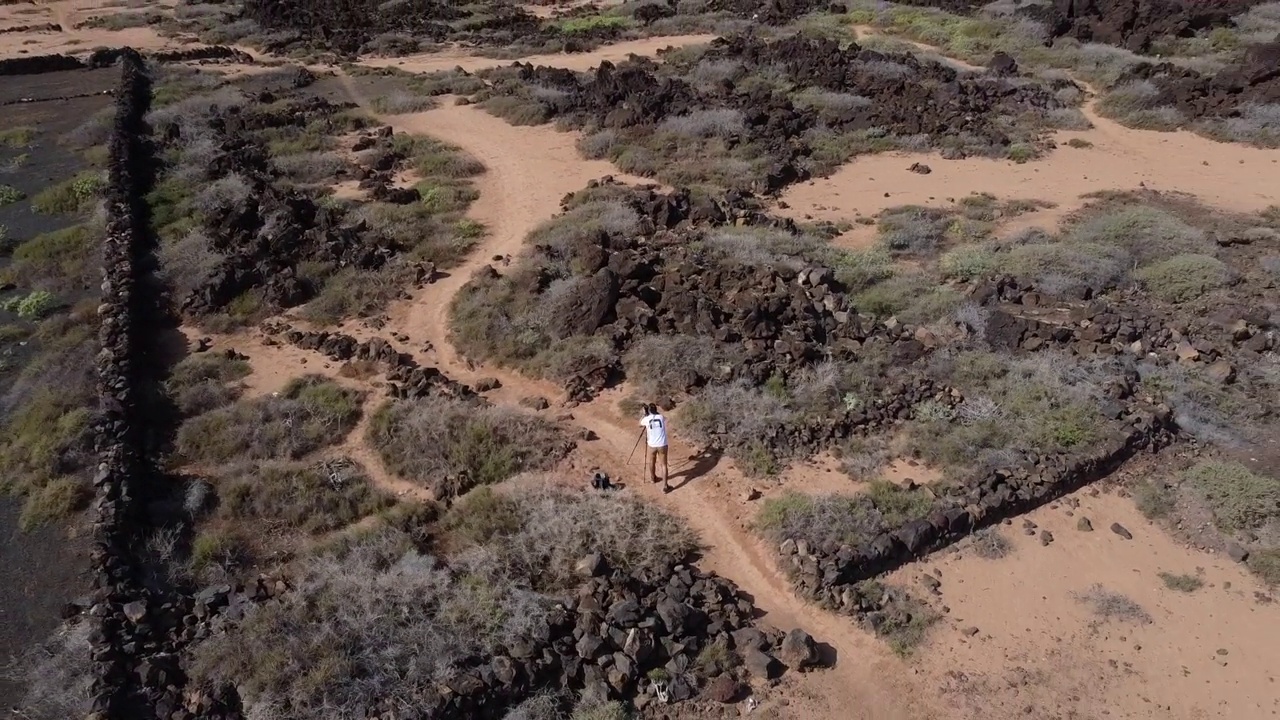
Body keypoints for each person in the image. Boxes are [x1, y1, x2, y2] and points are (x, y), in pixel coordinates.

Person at [638, 403, 671, 493]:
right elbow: (666, 419)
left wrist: (644, 414)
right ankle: (665, 486)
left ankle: (653, 478)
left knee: (651, 461)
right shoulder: (661, 417)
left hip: (652, 445)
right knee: (664, 465)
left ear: (648, 410)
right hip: (662, 444)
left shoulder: (646, 419)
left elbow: (639, 424)